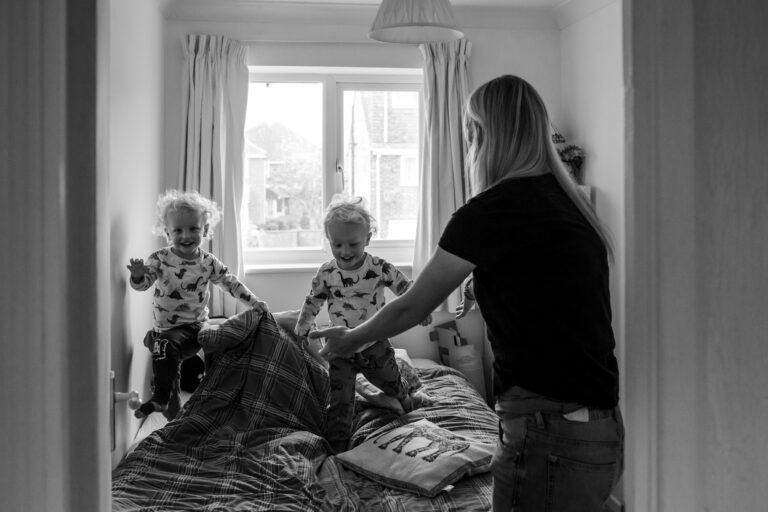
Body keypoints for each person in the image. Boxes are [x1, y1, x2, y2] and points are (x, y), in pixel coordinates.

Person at [311, 75, 624, 511]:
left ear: (482, 134)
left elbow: (412, 305)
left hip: (547, 427)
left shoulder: (490, 212)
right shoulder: (569, 202)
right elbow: (550, 289)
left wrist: (350, 338)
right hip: (600, 422)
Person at [295, 197, 432, 453]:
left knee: (390, 380)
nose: (345, 251)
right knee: (339, 399)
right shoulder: (326, 273)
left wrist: (420, 309)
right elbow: (313, 300)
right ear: (329, 240)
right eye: (337, 244)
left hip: (373, 342)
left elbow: (405, 288)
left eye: (353, 244)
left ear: (367, 239)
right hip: (340, 347)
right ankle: (338, 443)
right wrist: (304, 324)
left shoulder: (379, 268)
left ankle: (405, 397)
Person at [128, 189, 267, 420]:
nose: (186, 235)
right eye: (178, 230)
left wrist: (253, 302)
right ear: (167, 232)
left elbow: (230, 283)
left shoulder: (208, 262)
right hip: (167, 332)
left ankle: (228, 399)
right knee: (165, 357)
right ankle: (169, 408)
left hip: (196, 328)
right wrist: (138, 276)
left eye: (194, 228)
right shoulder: (159, 259)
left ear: (205, 230)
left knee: (227, 339)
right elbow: (143, 286)